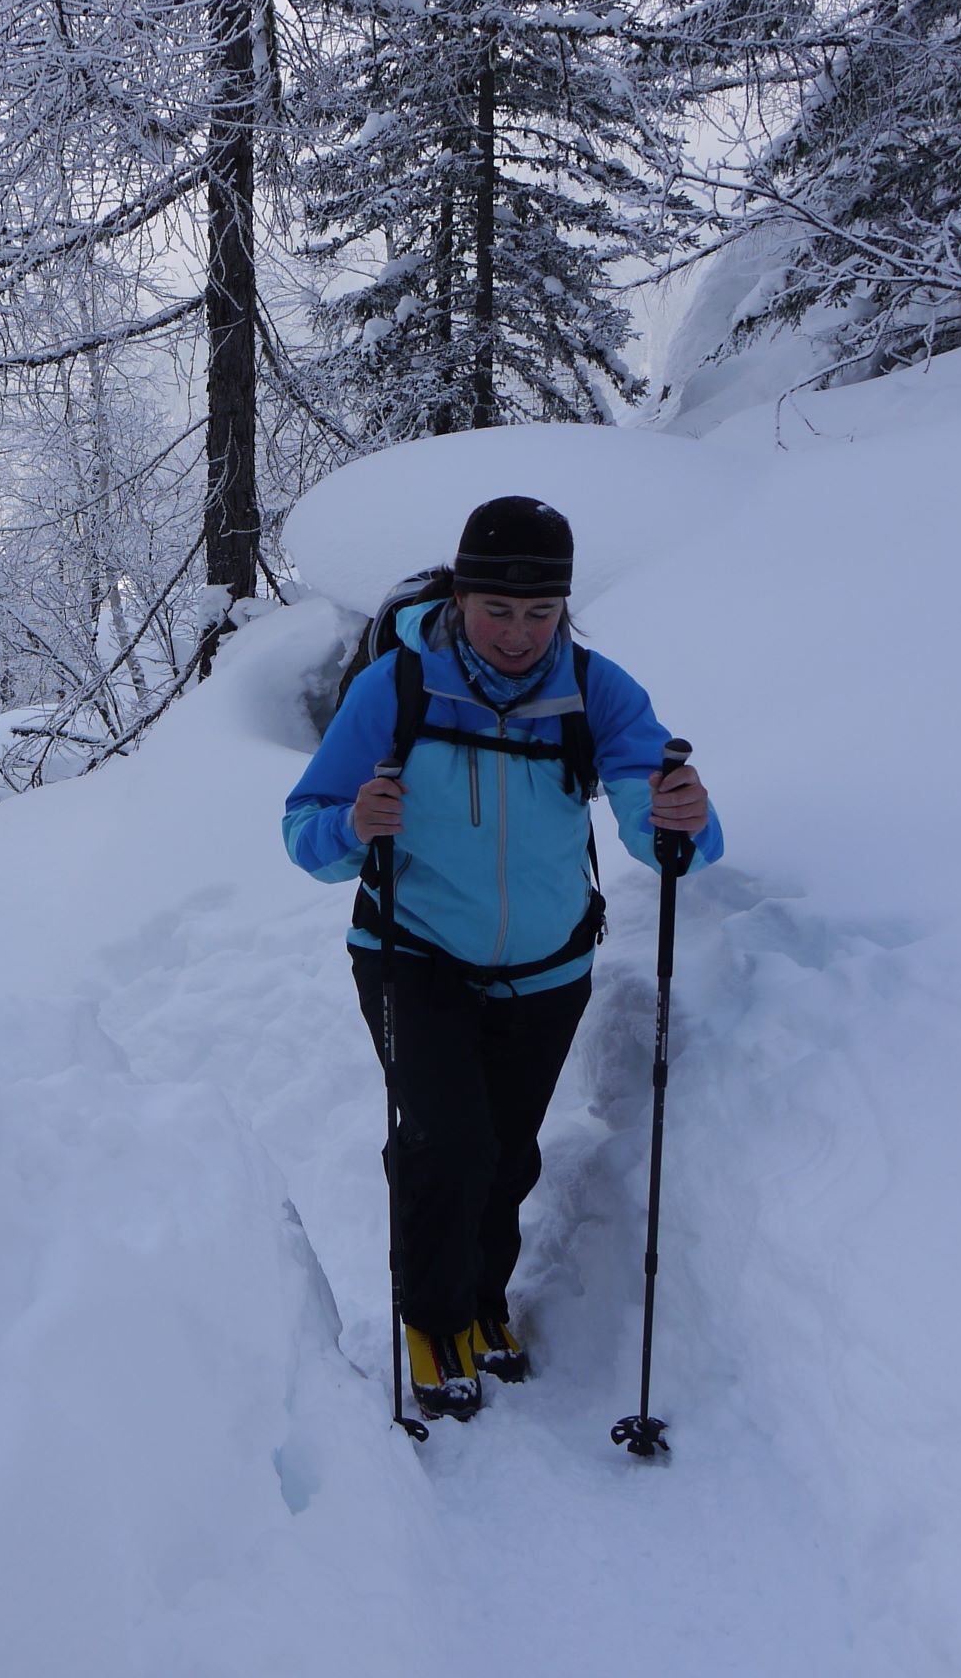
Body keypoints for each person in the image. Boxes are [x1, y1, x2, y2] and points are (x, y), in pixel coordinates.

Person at [281, 495, 722, 1422]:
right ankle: (432, 1317)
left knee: (508, 1151)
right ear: (460, 594)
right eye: (497, 610)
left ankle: (483, 1303)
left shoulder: (597, 691)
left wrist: (682, 821)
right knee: (447, 1138)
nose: (519, 634)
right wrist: (354, 827)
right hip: (413, 951)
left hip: (549, 968)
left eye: (539, 613)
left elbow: (657, 813)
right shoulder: (396, 689)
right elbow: (303, 831)